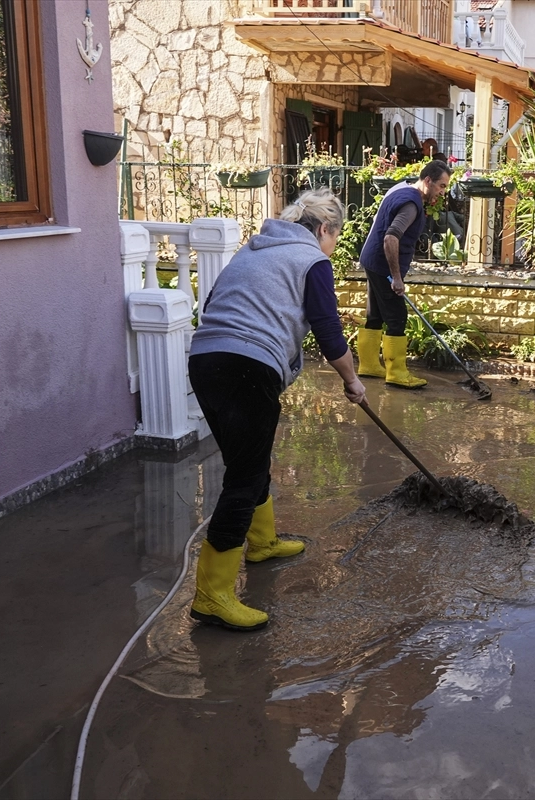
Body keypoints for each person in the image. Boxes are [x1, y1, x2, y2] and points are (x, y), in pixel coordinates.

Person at [188, 188, 365, 632]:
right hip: (246, 366)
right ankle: (212, 595)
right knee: (244, 478)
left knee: (247, 460)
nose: (332, 248)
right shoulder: (311, 260)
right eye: (334, 238)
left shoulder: (256, 249)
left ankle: (262, 542)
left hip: (207, 360)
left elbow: (212, 304)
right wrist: (353, 380)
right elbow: (328, 331)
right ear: (324, 229)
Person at [356, 159, 453, 389]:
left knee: (376, 315)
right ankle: (397, 373)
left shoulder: (401, 187)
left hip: (371, 259)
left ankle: (369, 366)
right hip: (382, 265)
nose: (443, 191)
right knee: (397, 317)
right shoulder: (411, 204)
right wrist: (397, 278)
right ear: (427, 181)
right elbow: (391, 237)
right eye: (441, 185)